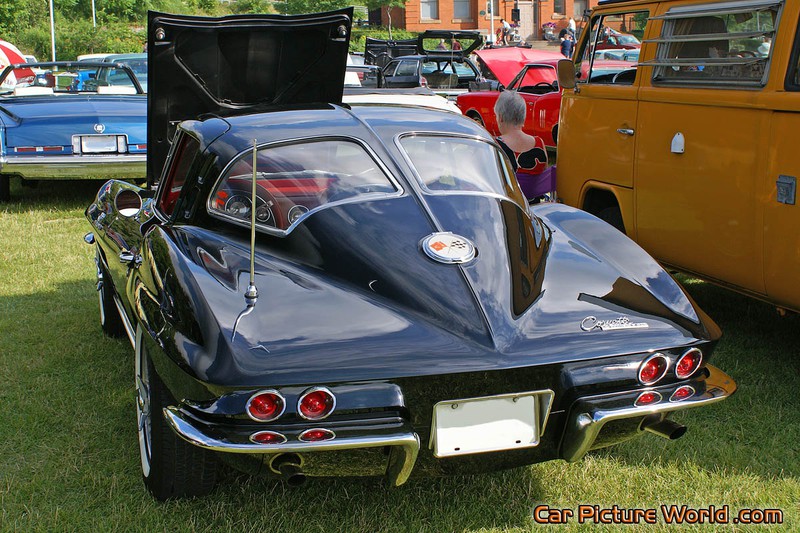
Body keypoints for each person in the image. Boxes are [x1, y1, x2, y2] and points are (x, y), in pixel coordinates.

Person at [493, 90, 549, 199]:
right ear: (522, 116)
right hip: (535, 209)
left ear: (500, 117)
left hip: (510, 210)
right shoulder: (539, 143)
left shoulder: (496, 145)